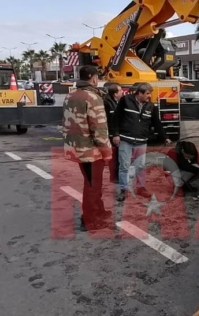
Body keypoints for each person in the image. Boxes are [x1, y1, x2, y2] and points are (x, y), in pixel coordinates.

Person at [62, 65, 113, 232]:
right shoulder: (92, 97)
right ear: (93, 77)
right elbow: (98, 128)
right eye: (97, 76)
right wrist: (106, 151)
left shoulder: (70, 95)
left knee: (93, 183)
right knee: (92, 185)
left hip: (76, 148)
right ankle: (90, 220)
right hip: (91, 151)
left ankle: (99, 211)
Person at [111, 82, 172, 200]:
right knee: (124, 166)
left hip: (141, 141)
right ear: (140, 93)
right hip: (126, 139)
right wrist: (115, 134)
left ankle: (140, 188)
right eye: (147, 94)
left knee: (140, 166)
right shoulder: (125, 100)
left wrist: (165, 137)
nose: (149, 96)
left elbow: (157, 123)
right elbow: (116, 118)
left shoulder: (151, 106)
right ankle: (123, 190)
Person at [102, 83, 124, 183]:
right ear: (115, 94)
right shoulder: (107, 103)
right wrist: (113, 133)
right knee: (115, 156)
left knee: (118, 155)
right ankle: (115, 177)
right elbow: (107, 120)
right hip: (111, 134)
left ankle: (116, 176)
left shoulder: (116, 102)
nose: (122, 92)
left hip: (115, 133)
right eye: (120, 90)